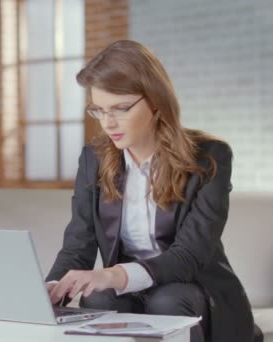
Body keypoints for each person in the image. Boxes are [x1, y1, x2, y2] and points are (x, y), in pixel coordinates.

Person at [44, 40, 257, 342]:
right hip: (130, 290)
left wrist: (114, 274)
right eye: (98, 111)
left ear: (156, 101)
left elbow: (189, 255)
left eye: (121, 108)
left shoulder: (210, 157)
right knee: (99, 298)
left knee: (167, 299)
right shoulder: (94, 159)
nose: (108, 123)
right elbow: (79, 242)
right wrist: (52, 287)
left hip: (193, 290)